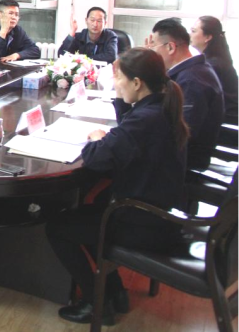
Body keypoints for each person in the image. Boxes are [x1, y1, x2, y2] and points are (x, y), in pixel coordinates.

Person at [46, 48, 188, 326]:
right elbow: (128, 135)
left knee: (59, 228)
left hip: (145, 223)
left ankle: (95, 303)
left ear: (137, 83)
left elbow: (97, 158)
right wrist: (121, 103)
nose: (115, 83)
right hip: (158, 213)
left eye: (119, 78)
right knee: (93, 212)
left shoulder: (146, 120)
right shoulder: (158, 108)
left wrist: (97, 138)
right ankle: (115, 292)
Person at [148, 18, 224, 169]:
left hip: (184, 161)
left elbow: (183, 134)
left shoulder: (192, 81)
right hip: (177, 152)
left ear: (170, 47)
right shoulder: (192, 70)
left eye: (154, 46)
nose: (153, 52)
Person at [191, 16, 238, 125]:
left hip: (225, 123)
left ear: (207, 37)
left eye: (194, 31)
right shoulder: (216, 61)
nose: (190, 35)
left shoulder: (212, 65)